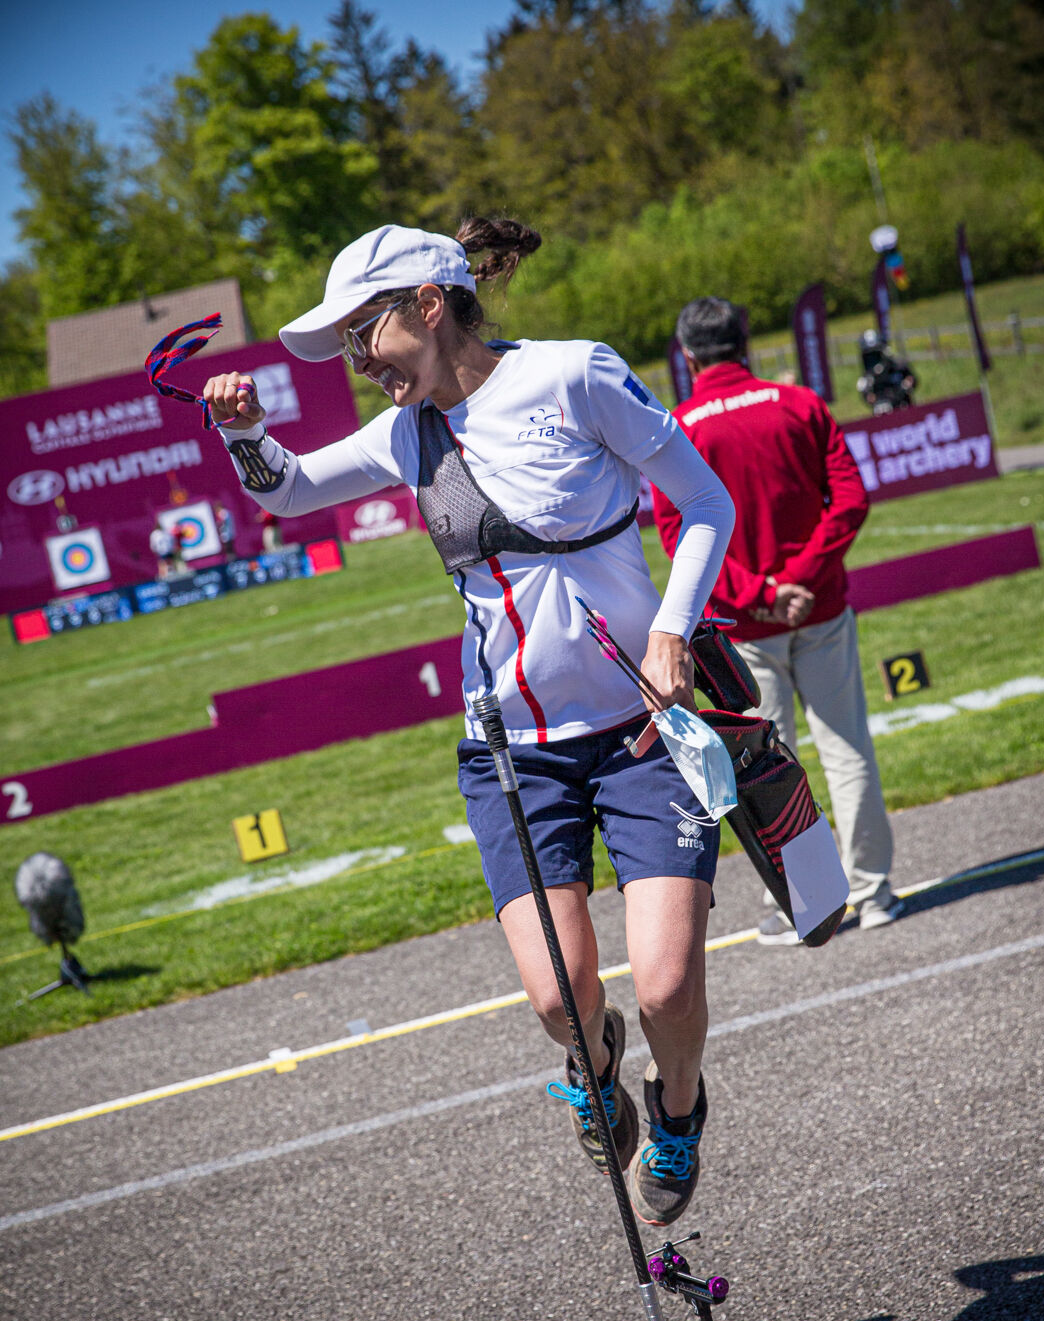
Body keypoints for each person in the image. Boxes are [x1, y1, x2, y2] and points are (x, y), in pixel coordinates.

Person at [201, 219, 736, 1227]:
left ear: (430, 305)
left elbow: (703, 501)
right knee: (558, 1003)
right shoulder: (408, 435)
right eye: (349, 345)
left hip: (638, 730)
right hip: (511, 758)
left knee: (666, 986)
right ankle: (594, 1061)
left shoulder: (575, 376)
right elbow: (290, 491)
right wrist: (240, 434)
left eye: (367, 333)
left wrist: (672, 630)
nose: (359, 360)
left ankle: (676, 1108)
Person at [652, 295, 901, 945]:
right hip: (816, 607)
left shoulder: (679, 428)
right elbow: (848, 499)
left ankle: (809, 907)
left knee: (767, 772)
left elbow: (679, 538)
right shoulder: (800, 405)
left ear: (685, 355)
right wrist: (799, 581)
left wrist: (759, 593)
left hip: (743, 627)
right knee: (848, 750)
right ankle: (873, 894)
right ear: (747, 342)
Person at [857, 329, 917, 415]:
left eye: (875, 355)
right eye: (869, 356)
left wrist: (904, 387)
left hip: (904, 409)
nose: (872, 359)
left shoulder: (896, 366)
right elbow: (867, 396)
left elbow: (912, 379)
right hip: (883, 415)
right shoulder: (867, 377)